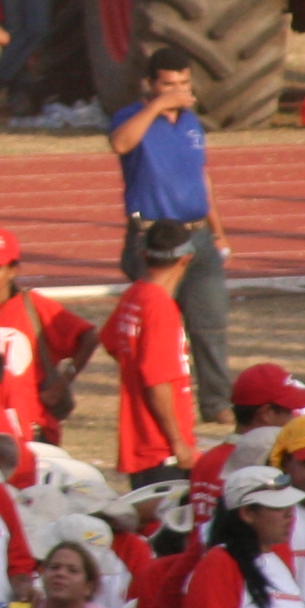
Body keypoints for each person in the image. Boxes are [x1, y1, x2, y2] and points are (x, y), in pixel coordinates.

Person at [113, 50, 230, 399]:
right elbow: (120, 143)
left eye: (184, 83)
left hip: (198, 235)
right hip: (155, 239)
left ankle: (217, 402)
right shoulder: (131, 117)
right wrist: (157, 107)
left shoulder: (191, 122)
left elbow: (201, 177)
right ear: (149, 84)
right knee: (155, 329)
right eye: (168, 84)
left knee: (210, 324)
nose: (178, 90)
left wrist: (218, 231)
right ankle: (153, 398)